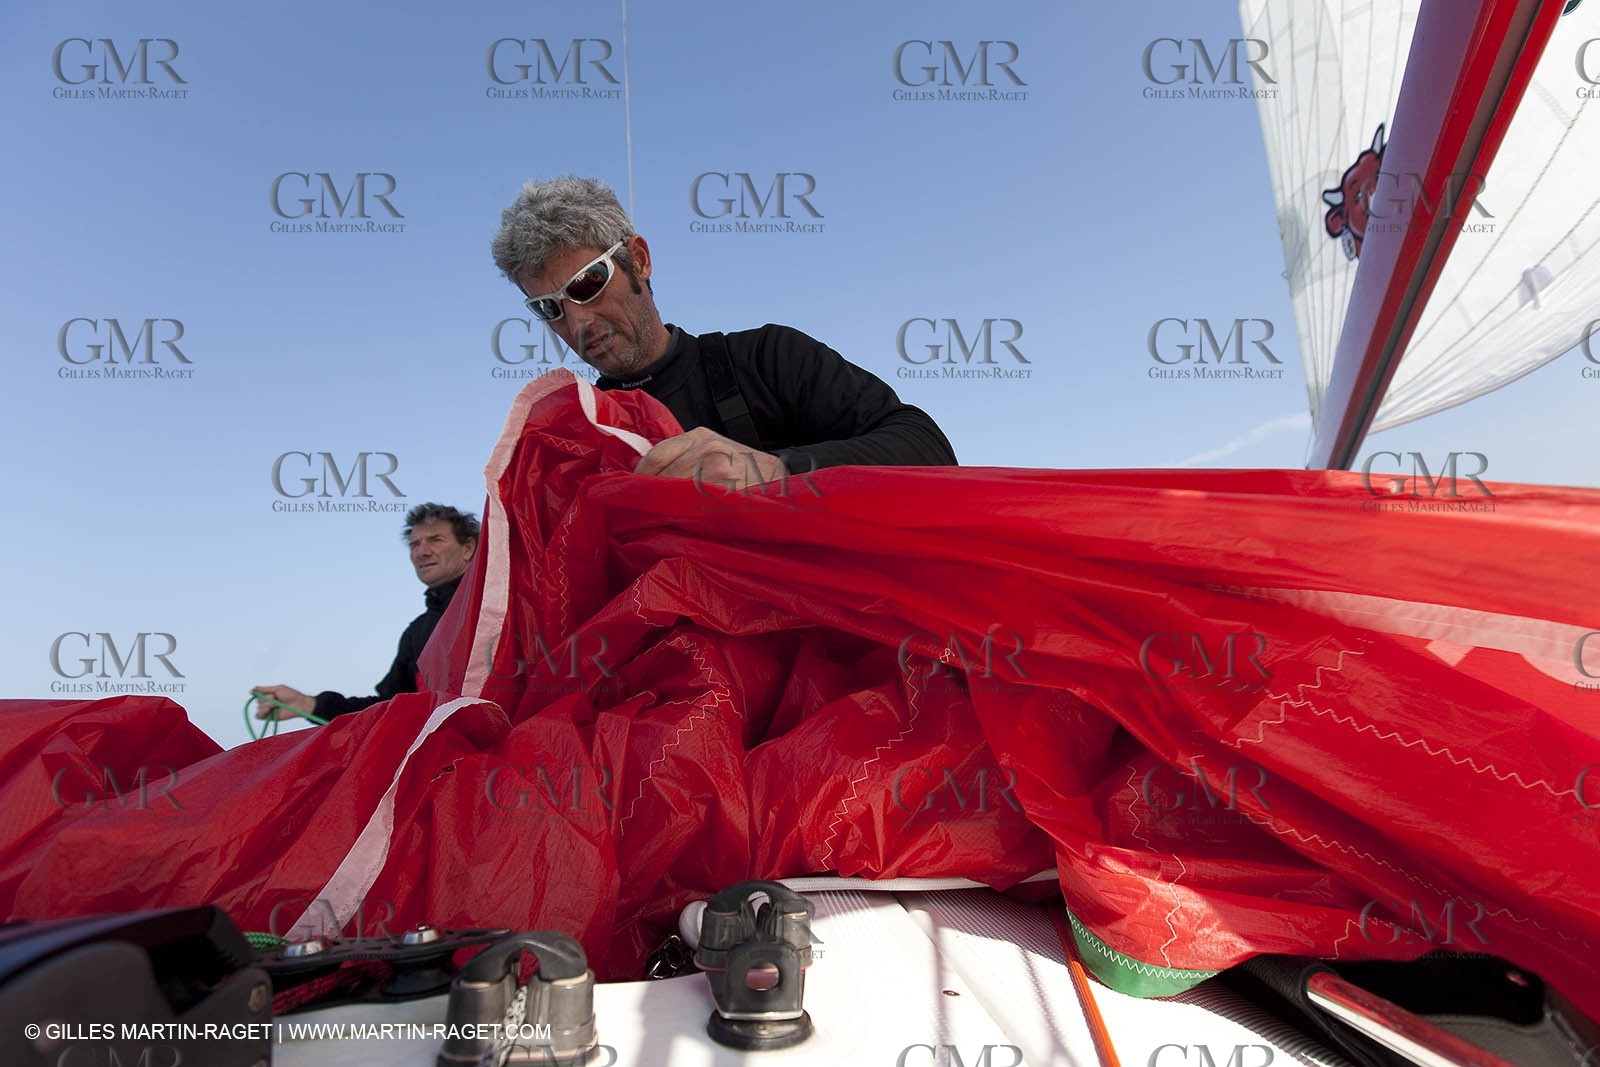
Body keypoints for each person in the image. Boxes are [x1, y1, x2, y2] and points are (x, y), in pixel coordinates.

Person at [489, 176, 958, 487]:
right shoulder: (582, 439)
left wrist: (774, 469)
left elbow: (928, 450)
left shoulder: (769, 358)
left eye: (587, 283)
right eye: (549, 307)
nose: (577, 322)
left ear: (640, 260)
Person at [252, 503, 479, 724]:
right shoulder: (417, 632)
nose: (422, 552)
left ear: (468, 548)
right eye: (414, 544)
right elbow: (388, 709)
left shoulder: (497, 610)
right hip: (447, 757)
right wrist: (308, 705)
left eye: (435, 540)